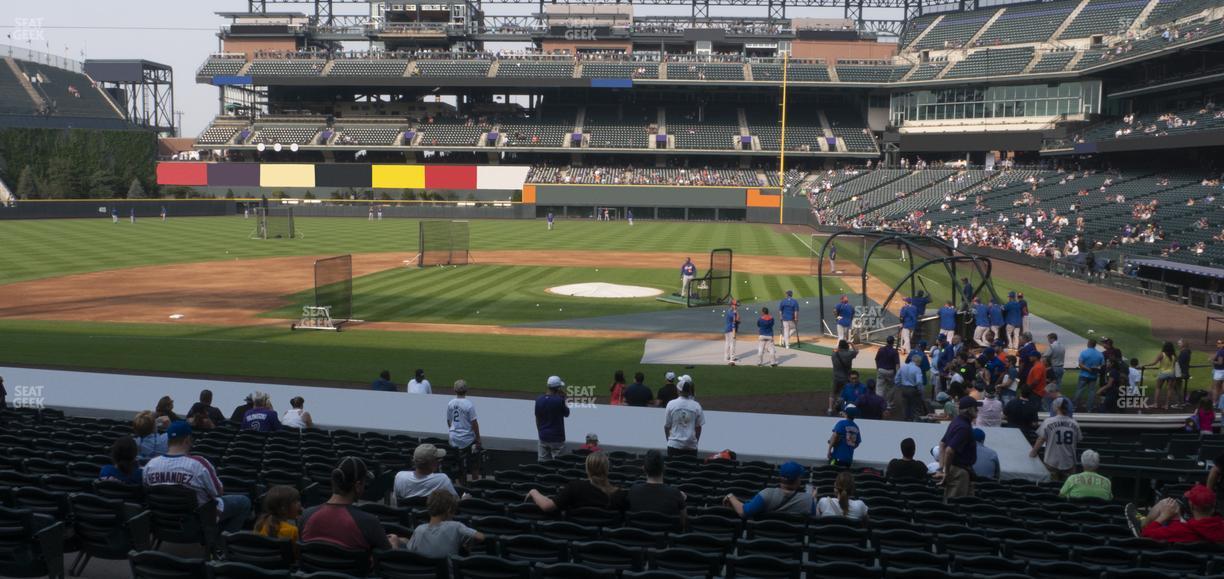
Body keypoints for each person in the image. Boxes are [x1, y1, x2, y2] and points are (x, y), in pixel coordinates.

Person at [144, 421, 251, 533]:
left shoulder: (150, 465)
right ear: (187, 440)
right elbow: (218, 492)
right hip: (196, 524)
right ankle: (224, 541)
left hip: (162, 522)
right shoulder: (199, 464)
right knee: (244, 502)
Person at [301, 456, 403, 550]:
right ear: (358, 486)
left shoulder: (306, 515)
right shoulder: (369, 522)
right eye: (364, 483)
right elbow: (388, 555)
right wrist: (395, 542)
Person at [526, 452, 621, 513]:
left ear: (587, 469)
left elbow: (547, 506)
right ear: (607, 469)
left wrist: (533, 492)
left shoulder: (574, 488)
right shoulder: (618, 495)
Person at [406, 489, 485, 558]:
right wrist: (467, 544)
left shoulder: (419, 530)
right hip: (448, 574)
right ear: (449, 509)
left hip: (425, 573)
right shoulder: (456, 526)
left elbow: (410, 549)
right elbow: (481, 537)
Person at [724, 461, 817, 518]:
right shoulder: (808, 501)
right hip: (792, 546)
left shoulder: (767, 494)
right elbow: (813, 516)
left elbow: (743, 512)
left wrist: (730, 496)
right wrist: (812, 499)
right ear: (797, 480)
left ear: (780, 477)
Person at [618, 449, 686, 526]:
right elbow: (683, 524)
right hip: (665, 537)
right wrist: (681, 500)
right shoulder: (675, 493)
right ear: (664, 468)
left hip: (636, 537)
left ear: (643, 469)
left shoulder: (633, 491)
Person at [1136, 484, 1224, 543]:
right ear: (1213, 507)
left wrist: (1163, 516)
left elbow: (1145, 534)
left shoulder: (1179, 530)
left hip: (1179, 567)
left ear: (1191, 506)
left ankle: (1142, 522)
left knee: (1165, 502)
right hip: (1211, 567)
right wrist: (1178, 520)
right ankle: (1142, 519)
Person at [1030, 397, 1081, 481]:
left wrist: (1033, 452)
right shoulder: (1075, 423)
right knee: (1067, 489)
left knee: (1051, 487)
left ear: (1057, 407)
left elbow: (1040, 439)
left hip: (1051, 462)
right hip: (1069, 463)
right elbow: (1078, 439)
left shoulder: (1048, 421)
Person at [940, 396, 980, 499]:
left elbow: (942, 444)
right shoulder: (963, 427)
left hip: (958, 470)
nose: (978, 410)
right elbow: (949, 450)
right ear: (969, 410)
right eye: (975, 408)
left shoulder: (957, 421)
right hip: (959, 472)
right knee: (956, 506)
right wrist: (946, 472)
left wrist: (942, 468)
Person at [447, 380, 481, 481]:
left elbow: (449, 421)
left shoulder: (450, 403)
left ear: (454, 390)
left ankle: (462, 485)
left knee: (459, 464)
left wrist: (454, 432)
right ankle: (475, 484)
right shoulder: (469, 404)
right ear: (466, 390)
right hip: (467, 440)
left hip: (454, 439)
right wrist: (478, 439)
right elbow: (474, 423)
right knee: (475, 464)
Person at [664, 378, 704, 457]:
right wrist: (695, 442)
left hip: (674, 445)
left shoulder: (671, 404)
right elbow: (698, 427)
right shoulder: (696, 406)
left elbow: (667, 426)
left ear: (679, 391)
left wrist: (669, 440)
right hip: (691, 446)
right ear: (689, 391)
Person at [535, 376, 570, 461]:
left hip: (543, 436)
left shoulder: (539, 399)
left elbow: (537, 418)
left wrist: (540, 431)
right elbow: (567, 413)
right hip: (557, 438)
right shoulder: (559, 400)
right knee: (559, 464)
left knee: (543, 465)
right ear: (558, 388)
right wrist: (564, 399)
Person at [1075, 339, 1104, 413]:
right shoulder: (1100, 354)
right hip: (1093, 376)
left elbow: (1080, 364)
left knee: (1079, 391)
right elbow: (1102, 365)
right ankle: (1089, 408)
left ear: (1089, 344)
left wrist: (1088, 369)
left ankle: (1074, 406)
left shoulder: (1084, 352)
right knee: (1091, 392)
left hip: (1084, 375)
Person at [830, 341, 858, 414]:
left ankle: (830, 409)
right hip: (845, 378)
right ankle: (841, 408)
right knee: (843, 394)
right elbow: (856, 351)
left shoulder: (834, 355)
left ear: (839, 347)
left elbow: (835, 350)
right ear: (847, 347)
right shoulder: (849, 354)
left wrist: (837, 349)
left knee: (833, 393)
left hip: (836, 377)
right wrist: (851, 343)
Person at [1148, 341, 1177, 410]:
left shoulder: (1162, 354)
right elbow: (1175, 365)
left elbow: (1154, 363)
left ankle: (1155, 404)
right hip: (1172, 373)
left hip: (1163, 373)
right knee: (1169, 389)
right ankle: (1166, 405)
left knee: (1158, 388)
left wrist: (1145, 365)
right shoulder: (1174, 356)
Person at [896, 353, 925, 421]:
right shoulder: (917, 369)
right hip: (913, 389)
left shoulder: (903, 367)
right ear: (917, 361)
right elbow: (919, 382)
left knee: (905, 406)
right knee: (914, 407)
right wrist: (920, 390)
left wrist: (900, 386)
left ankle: (905, 419)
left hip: (904, 388)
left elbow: (897, 378)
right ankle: (913, 421)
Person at [1177, 339, 1193, 406]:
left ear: (1183, 344)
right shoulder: (1186, 352)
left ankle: (1180, 402)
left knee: (1177, 387)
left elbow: (1180, 363)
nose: (1178, 344)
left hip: (1181, 373)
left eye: (1179, 343)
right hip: (1183, 372)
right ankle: (1181, 401)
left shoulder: (1184, 352)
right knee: (1177, 387)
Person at [724, 299, 740, 365]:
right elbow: (737, 319)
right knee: (732, 344)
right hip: (731, 330)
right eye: (735, 305)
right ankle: (732, 358)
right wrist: (736, 312)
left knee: (727, 343)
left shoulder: (730, 311)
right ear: (732, 305)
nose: (736, 306)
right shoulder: (732, 312)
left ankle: (726, 357)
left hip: (727, 329)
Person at [1213, 338, 1224, 406]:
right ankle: (1220, 403)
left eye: (1219, 343)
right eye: (1217, 342)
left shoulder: (1221, 352)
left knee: (1216, 388)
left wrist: (1212, 361)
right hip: (1221, 371)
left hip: (1219, 371)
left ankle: (1214, 403)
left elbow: (1220, 363)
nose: (1217, 344)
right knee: (1221, 388)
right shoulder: (1220, 351)